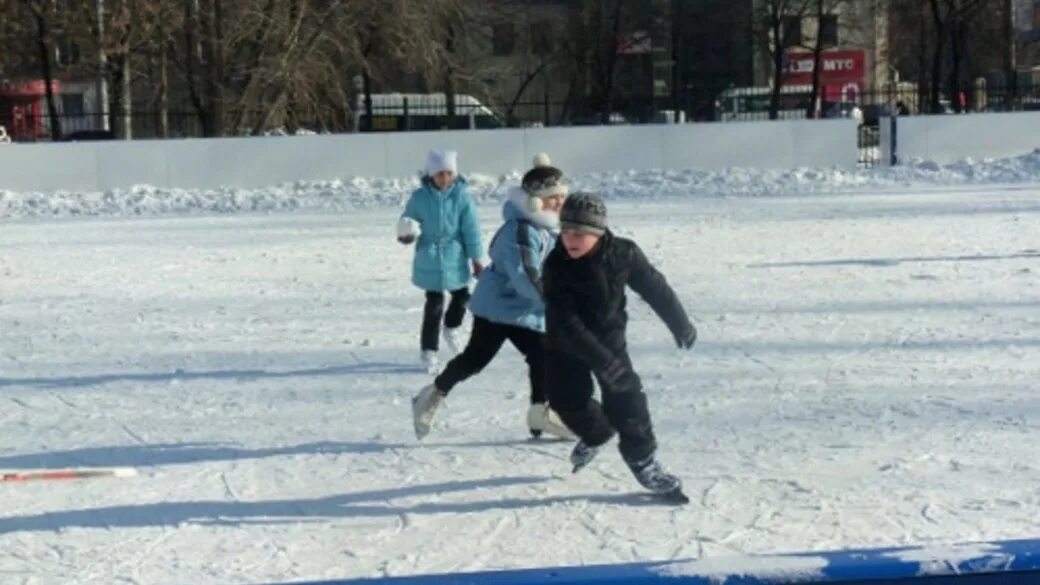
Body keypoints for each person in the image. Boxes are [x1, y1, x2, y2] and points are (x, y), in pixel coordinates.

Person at [542, 192, 697, 501]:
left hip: (609, 337)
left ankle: (644, 462)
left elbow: (654, 286)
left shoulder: (624, 254)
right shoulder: (555, 265)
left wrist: (679, 322)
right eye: (565, 231)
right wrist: (601, 361)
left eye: (579, 233)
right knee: (566, 400)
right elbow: (567, 323)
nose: (570, 239)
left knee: (627, 397)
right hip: (564, 343)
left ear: (598, 232)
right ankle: (597, 432)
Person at [412, 154, 575, 441]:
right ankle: (430, 396)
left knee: (545, 357)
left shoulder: (547, 229)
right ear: (535, 200)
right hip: (497, 309)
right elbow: (525, 274)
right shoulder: (521, 230)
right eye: (552, 197)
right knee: (475, 360)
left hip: (525, 309)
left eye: (562, 196)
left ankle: (542, 412)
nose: (559, 202)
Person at [397, 150, 484, 374]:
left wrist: (476, 258)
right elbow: (408, 221)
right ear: (430, 175)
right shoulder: (419, 197)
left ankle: (452, 327)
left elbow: (471, 229)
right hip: (430, 257)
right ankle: (428, 351)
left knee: (463, 296)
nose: (444, 178)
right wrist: (407, 233)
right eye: (439, 174)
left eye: (448, 173)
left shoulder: (462, 197)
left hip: (455, 256)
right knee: (433, 306)